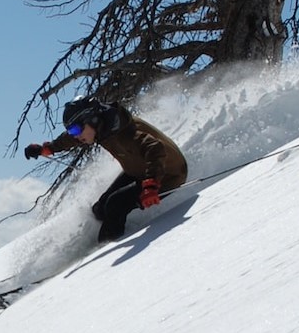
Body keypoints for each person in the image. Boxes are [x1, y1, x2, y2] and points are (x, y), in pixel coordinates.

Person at [25, 97, 188, 242]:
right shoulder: (102, 129)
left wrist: (152, 183)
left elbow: (155, 147)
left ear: (92, 119)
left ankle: (106, 251)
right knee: (100, 209)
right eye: (70, 131)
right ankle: (115, 232)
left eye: (75, 130)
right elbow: (70, 139)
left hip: (167, 174)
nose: (75, 135)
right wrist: (47, 149)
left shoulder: (125, 132)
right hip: (138, 171)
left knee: (115, 205)